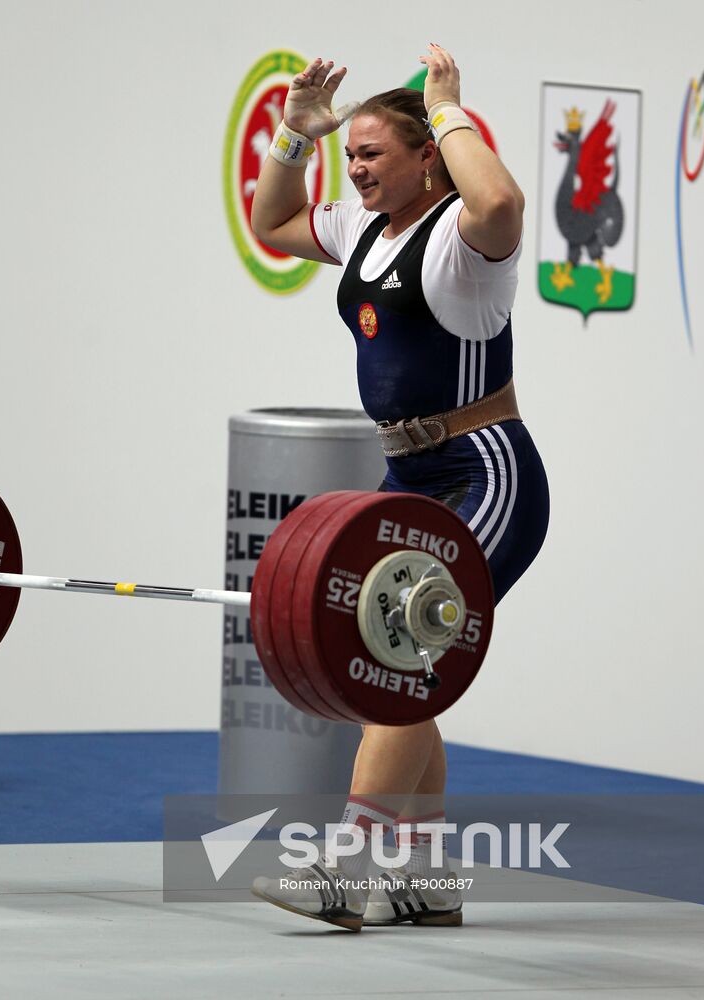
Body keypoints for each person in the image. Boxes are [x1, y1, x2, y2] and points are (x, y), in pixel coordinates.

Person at [249, 44, 549, 931]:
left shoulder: (466, 240)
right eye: (353, 157)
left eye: (373, 153)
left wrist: (450, 106)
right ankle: (422, 881)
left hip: (484, 471)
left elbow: (502, 199)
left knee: (401, 658)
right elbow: (274, 222)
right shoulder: (363, 231)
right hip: (406, 477)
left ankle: (347, 869)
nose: (359, 169)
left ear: (428, 156)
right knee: (409, 664)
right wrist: (297, 139)